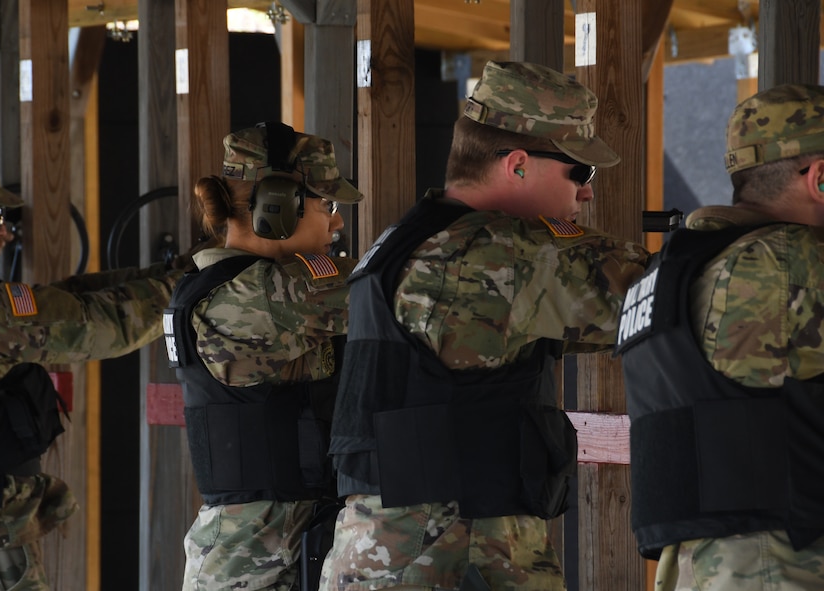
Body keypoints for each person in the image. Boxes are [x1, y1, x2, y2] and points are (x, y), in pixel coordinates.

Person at [320, 61, 650, 591]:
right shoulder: (497, 254)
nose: (586, 193)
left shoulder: (404, 242)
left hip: (382, 543)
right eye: (579, 172)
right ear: (518, 164)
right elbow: (675, 298)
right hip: (459, 541)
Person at [0, 145, 183, 590]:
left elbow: (61, 299)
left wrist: (161, 275)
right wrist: (194, 281)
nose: (4, 233)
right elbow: (101, 325)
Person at [616, 83, 824, 590]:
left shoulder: (664, 275)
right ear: (820, 178)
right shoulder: (795, 259)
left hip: (697, 565)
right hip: (783, 561)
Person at [162, 122, 364, 591]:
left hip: (277, 538)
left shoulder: (232, 286)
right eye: (327, 206)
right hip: (257, 552)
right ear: (278, 208)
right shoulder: (254, 295)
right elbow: (394, 289)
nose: (336, 223)